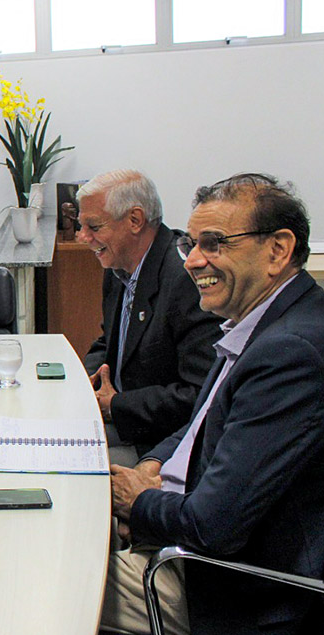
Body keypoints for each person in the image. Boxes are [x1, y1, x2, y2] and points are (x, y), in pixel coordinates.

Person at [101, 173, 324, 635]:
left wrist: (138, 501)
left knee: (37, 577)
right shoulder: (267, 323)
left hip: (236, 596)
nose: (192, 261)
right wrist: (154, 464)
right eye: (190, 244)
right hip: (203, 549)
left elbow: (214, 525)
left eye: (214, 245)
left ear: (278, 249)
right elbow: (202, 421)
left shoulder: (289, 353)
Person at [77, 170, 221, 463]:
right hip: (119, 418)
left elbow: (201, 394)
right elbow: (110, 342)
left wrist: (116, 405)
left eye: (93, 226)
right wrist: (84, 382)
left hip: (161, 442)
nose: (83, 238)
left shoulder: (185, 281)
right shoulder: (117, 266)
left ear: (135, 220)